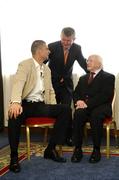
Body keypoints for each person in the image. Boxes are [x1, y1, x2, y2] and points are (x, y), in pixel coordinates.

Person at [8, 40, 72, 173]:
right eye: (47, 49)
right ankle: (14, 157)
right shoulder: (25, 65)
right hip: (25, 105)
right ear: (39, 51)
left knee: (65, 109)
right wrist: (15, 102)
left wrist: (54, 108)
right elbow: (18, 83)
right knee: (13, 115)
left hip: (41, 105)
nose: (49, 51)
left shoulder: (47, 69)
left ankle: (51, 149)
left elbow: (50, 91)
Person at [46, 27, 88, 145]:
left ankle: (68, 136)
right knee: (53, 109)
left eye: (68, 40)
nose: (66, 43)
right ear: (60, 38)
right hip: (52, 84)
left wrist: (95, 75)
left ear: (73, 39)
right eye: (63, 40)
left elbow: (83, 64)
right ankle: (55, 137)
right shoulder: (52, 46)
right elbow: (42, 63)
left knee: (67, 109)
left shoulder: (77, 48)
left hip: (66, 85)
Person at [71, 55, 115, 163]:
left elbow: (105, 96)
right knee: (78, 113)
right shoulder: (83, 78)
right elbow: (76, 93)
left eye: (90, 61)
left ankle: (96, 150)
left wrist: (86, 103)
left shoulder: (109, 77)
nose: (87, 62)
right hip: (86, 107)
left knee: (95, 115)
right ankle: (77, 149)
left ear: (98, 64)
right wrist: (78, 101)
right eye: (87, 60)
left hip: (102, 107)